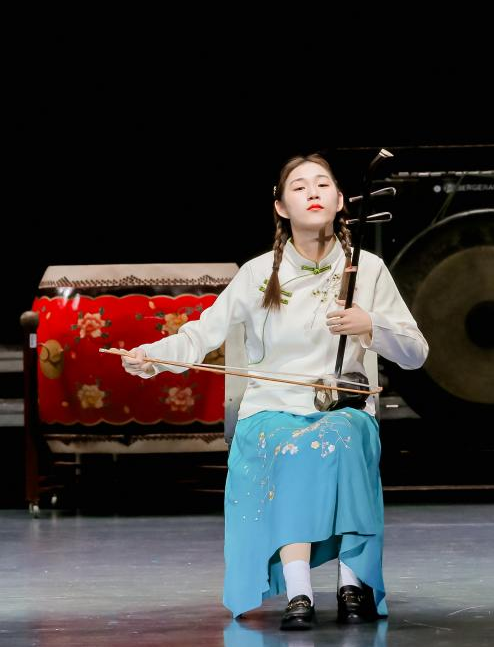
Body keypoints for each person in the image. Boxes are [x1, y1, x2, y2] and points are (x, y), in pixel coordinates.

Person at [120, 153, 429, 630]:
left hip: (341, 406)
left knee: (344, 434)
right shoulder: (257, 273)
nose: (312, 192)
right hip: (271, 409)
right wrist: (152, 357)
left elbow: (415, 353)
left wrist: (371, 324)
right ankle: (299, 589)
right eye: (299, 186)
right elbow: (202, 335)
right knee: (289, 443)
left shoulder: (367, 269)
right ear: (281, 207)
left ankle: (352, 582)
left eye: (323, 184)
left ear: (341, 201)